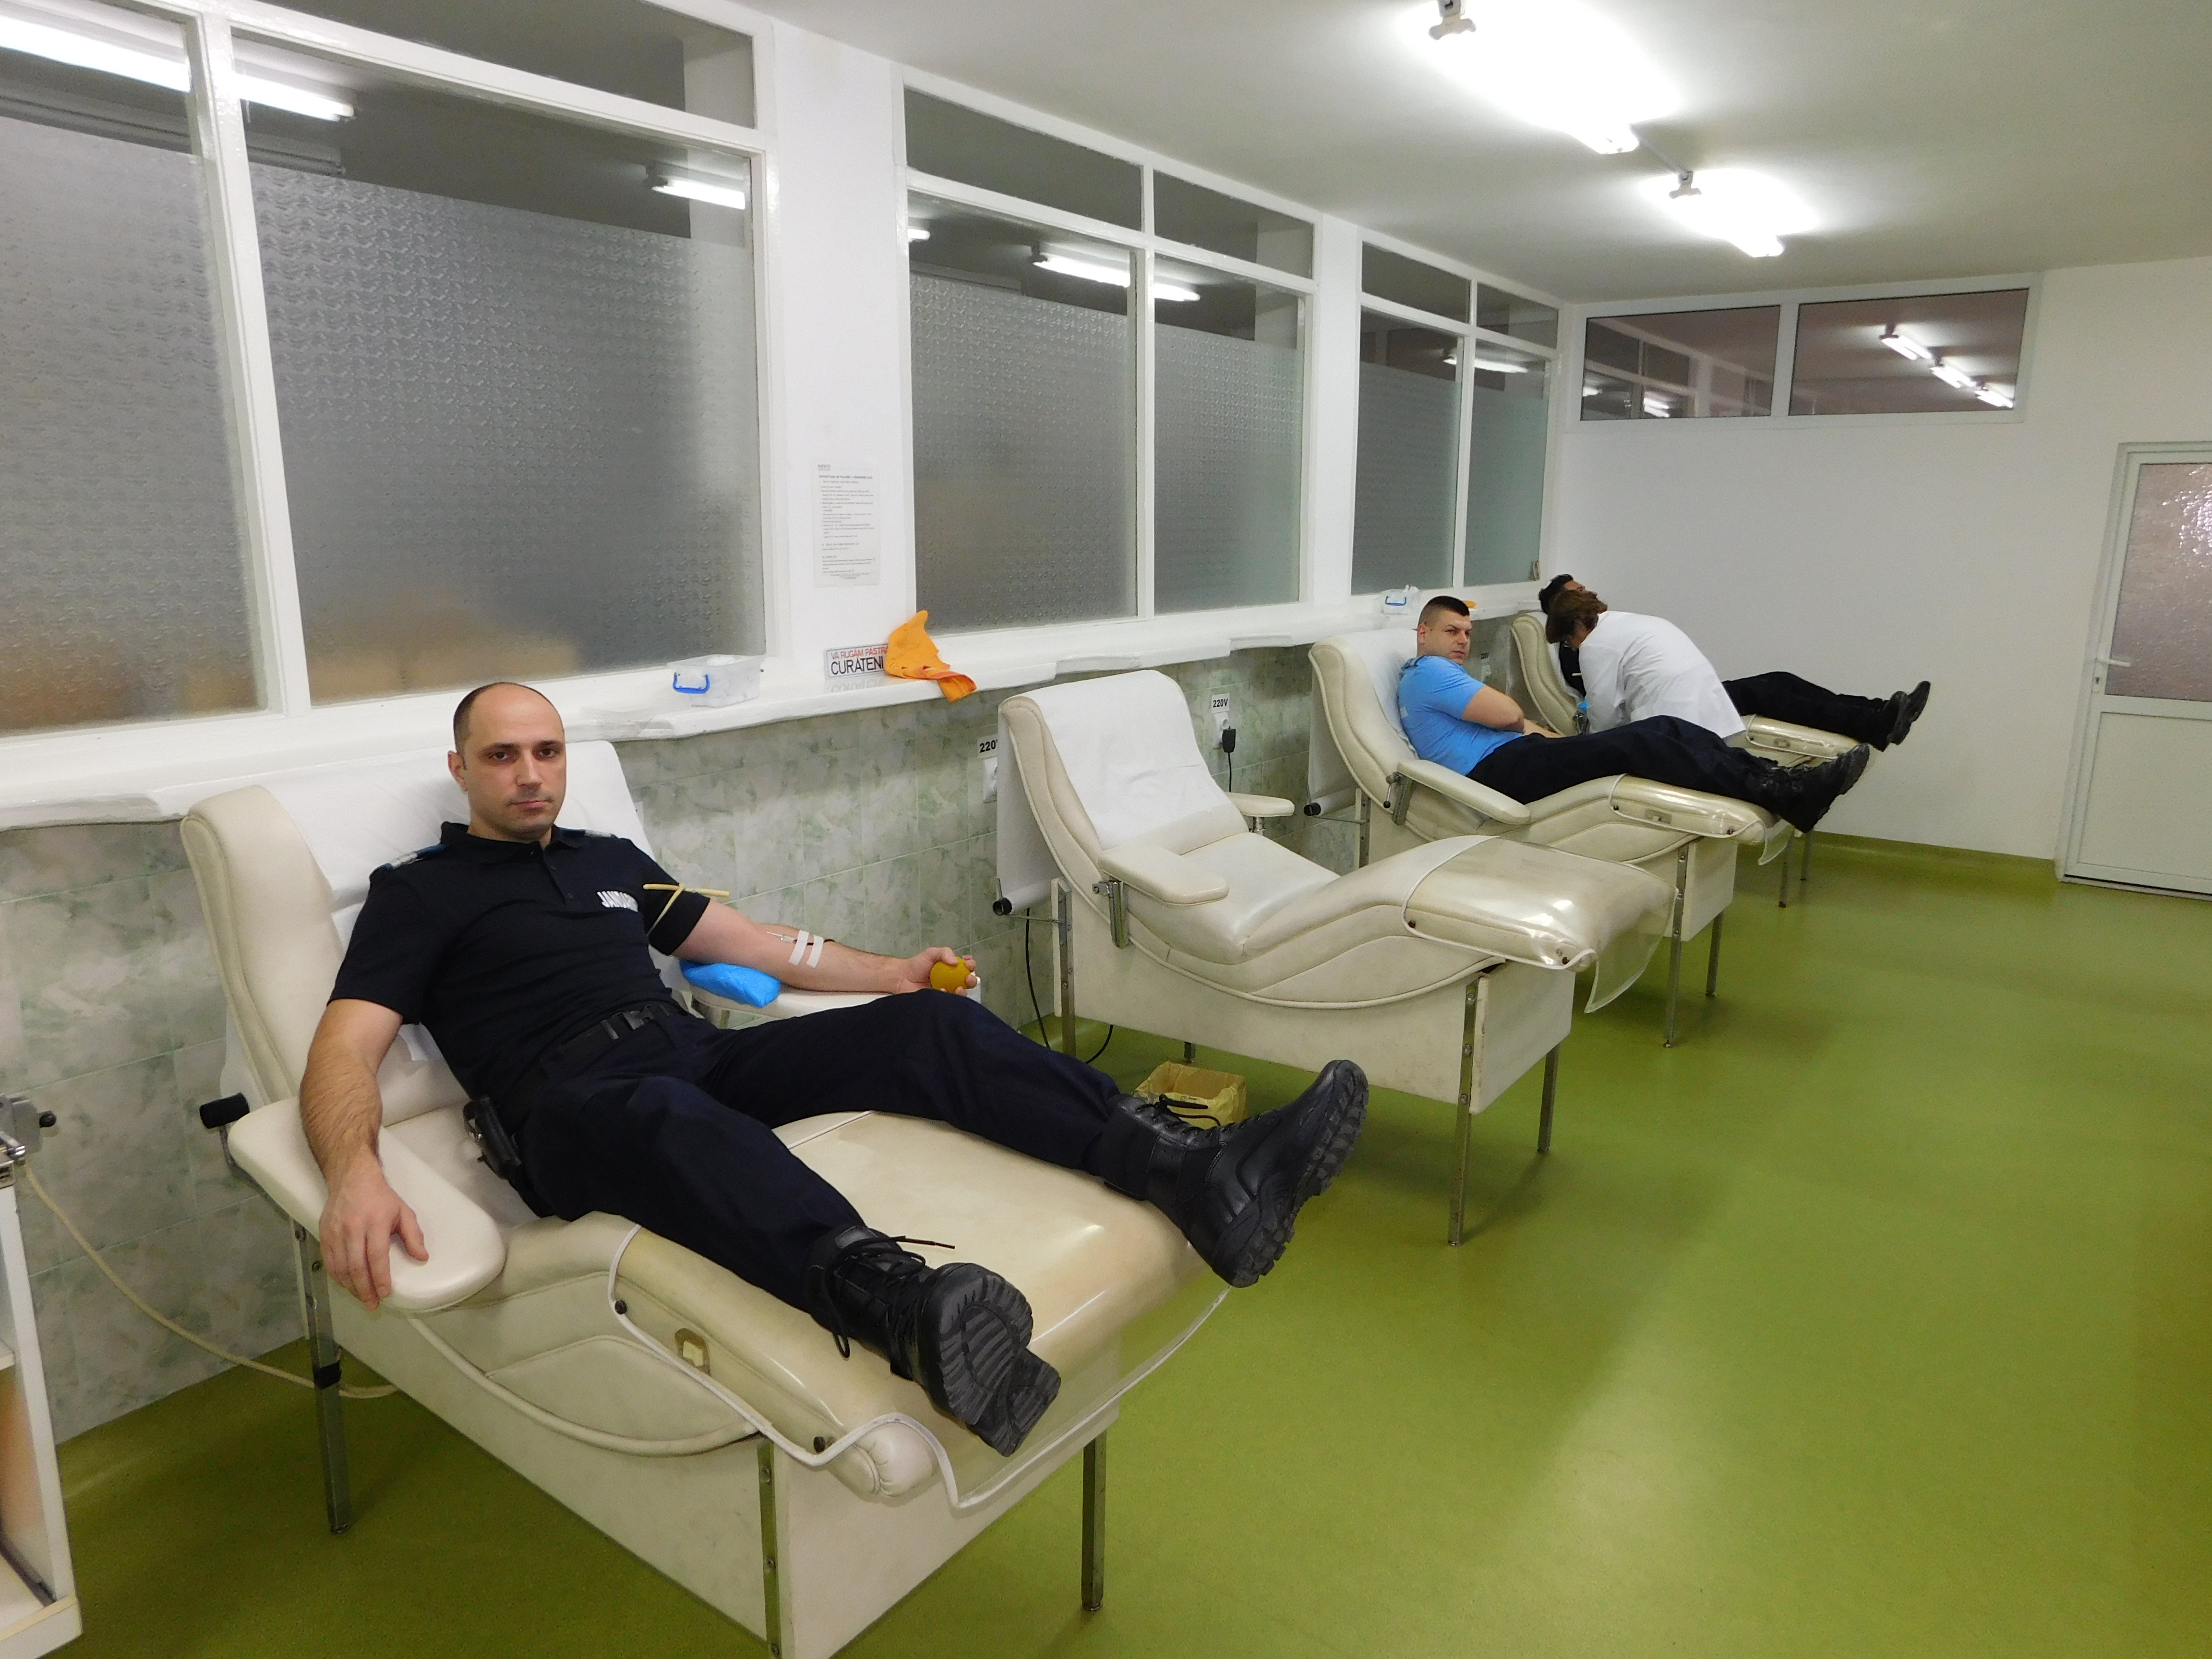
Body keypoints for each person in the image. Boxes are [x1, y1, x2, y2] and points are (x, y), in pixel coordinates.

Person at [301, 682, 1368, 1457]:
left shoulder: (607, 862)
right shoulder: (420, 892)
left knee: (925, 1027)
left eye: (546, 751)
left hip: (695, 1053)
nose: (531, 774)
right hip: (574, 1109)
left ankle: (1194, 1174)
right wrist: (354, 1173)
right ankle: (905, 1310)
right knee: (665, 1111)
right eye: (502, 756)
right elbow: (344, 1047)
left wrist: (891, 973)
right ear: (462, 769)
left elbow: (753, 944)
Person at [1398, 597, 1868, 832]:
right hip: (1496, 774)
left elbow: (1517, 723)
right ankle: (1782, 791)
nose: (1463, 641)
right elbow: (1508, 715)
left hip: (1519, 757)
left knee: (1665, 727)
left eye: (1467, 632)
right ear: (1423, 633)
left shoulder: (1439, 675)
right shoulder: (1429, 672)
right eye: (1452, 631)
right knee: (1642, 743)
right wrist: (1523, 724)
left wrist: (1563, 743)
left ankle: (1775, 780)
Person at [1536, 575, 1929, 749]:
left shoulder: (1608, 632)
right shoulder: (1582, 648)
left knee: (1779, 681)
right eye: (1577, 592)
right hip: (1665, 714)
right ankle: (1875, 721)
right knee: (1769, 691)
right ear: (1567, 615)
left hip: (1679, 699)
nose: (1587, 594)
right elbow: (1602, 710)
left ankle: (1877, 712)